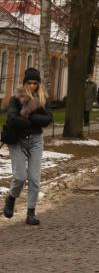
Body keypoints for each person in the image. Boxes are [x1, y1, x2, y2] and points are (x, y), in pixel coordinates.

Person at [5, 68, 52, 226]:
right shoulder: (16, 98)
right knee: (20, 176)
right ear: (25, 83)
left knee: (34, 178)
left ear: (38, 84)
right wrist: (32, 121)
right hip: (17, 141)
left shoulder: (43, 99)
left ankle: (31, 212)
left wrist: (30, 116)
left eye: (35, 83)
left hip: (36, 141)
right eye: (29, 83)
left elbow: (48, 119)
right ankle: (11, 198)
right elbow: (12, 118)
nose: (32, 86)